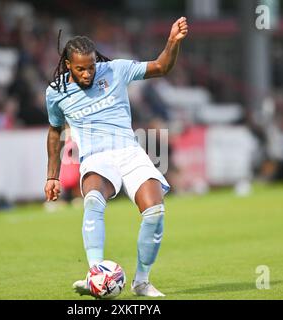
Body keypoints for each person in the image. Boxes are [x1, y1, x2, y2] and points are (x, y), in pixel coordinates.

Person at [44, 17, 188, 297]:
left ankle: (142, 282)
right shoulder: (56, 93)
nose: (88, 74)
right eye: (81, 69)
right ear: (69, 65)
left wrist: (172, 42)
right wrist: (52, 176)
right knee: (93, 199)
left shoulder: (116, 70)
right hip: (95, 157)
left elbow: (160, 66)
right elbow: (54, 132)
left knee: (155, 211)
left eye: (91, 67)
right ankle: (95, 275)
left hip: (129, 151)